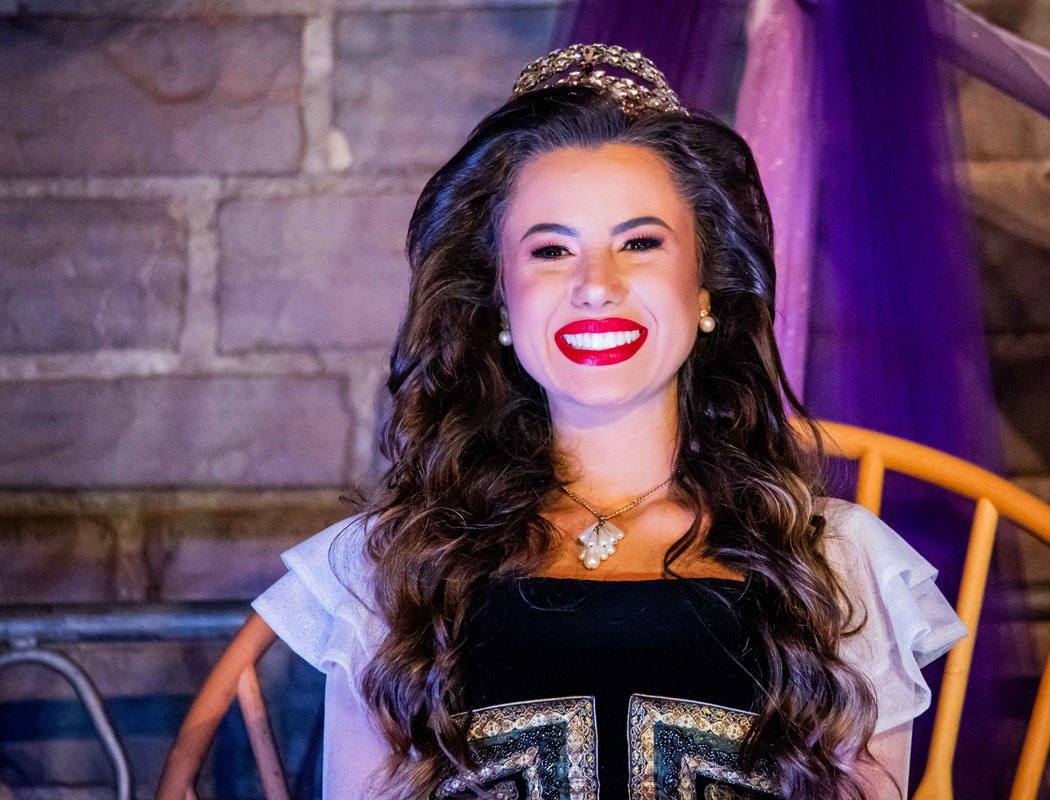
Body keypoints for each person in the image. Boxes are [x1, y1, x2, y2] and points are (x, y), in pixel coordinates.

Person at [252, 43, 967, 799]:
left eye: (640, 242)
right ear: (500, 301)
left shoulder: (837, 566)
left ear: (705, 287)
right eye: (552, 250)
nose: (597, 285)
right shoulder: (394, 569)